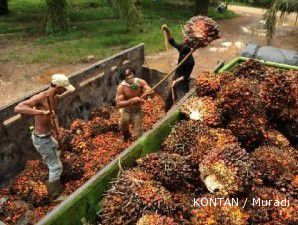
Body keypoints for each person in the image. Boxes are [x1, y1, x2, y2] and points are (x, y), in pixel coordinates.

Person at [15, 74, 75, 201]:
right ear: (58, 87)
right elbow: (18, 108)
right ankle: (55, 195)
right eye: (64, 88)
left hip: (48, 136)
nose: (65, 91)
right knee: (56, 167)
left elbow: (55, 115)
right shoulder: (41, 97)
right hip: (41, 139)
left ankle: (52, 168)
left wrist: (57, 129)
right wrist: (41, 112)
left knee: (57, 149)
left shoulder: (55, 98)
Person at [162, 24, 195, 112]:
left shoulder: (191, 61)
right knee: (169, 100)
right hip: (176, 76)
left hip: (183, 82)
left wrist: (176, 81)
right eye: (180, 52)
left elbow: (186, 76)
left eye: (182, 53)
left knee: (183, 104)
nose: (181, 53)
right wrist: (167, 30)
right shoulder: (182, 47)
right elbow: (172, 41)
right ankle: (166, 114)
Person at [115, 68, 153, 141]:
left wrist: (149, 91)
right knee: (123, 127)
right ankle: (126, 137)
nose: (130, 76)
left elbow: (150, 91)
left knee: (137, 135)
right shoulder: (121, 87)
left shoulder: (140, 82)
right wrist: (131, 100)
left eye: (131, 74)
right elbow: (119, 104)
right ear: (124, 77)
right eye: (127, 75)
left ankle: (137, 144)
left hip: (137, 111)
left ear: (133, 73)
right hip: (126, 111)